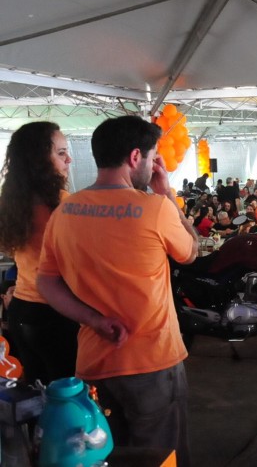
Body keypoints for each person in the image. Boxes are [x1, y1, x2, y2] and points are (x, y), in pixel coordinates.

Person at [36, 115, 199, 466]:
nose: (154, 166)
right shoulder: (154, 208)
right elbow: (190, 251)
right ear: (135, 156)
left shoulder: (65, 212)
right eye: (152, 157)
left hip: (93, 364)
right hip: (152, 361)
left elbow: (46, 281)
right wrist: (166, 193)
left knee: (107, 456)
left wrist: (95, 320)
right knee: (161, 457)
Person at [0, 121, 79, 384]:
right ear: (38, 159)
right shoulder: (63, 203)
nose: (68, 160)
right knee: (67, 397)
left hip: (21, 310)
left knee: (36, 394)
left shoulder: (10, 203)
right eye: (60, 153)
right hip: (56, 312)